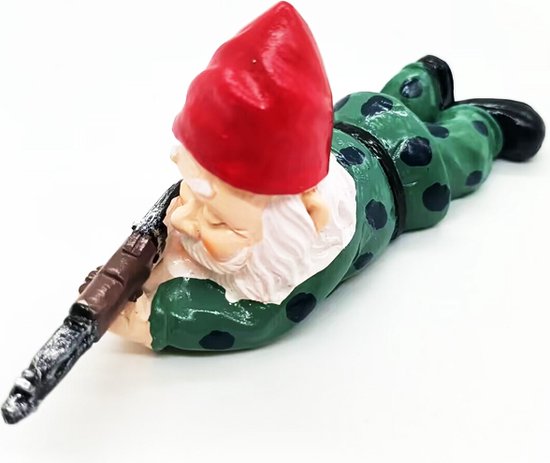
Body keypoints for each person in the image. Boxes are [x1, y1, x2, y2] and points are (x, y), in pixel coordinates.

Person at [109, 1, 545, 351]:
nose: (182, 220)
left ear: (305, 219)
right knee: (392, 103)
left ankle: (481, 122)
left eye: (220, 223)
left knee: (456, 153)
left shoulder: (308, 252)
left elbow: (260, 316)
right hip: (353, 123)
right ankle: (422, 80)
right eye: (188, 196)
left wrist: (162, 320)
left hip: (409, 168)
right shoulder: (245, 214)